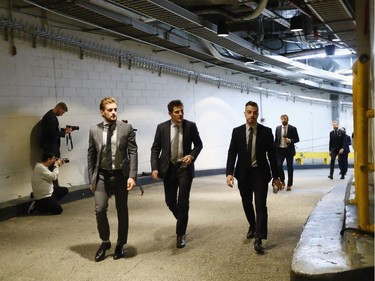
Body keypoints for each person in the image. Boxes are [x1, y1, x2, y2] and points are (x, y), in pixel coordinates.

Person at [226, 101, 281, 254]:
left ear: (258, 114)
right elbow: (232, 153)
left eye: (255, 112)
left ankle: (259, 238)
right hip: (243, 174)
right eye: (249, 112)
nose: (252, 115)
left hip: (260, 174)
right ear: (245, 113)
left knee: (260, 205)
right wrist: (229, 173)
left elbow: (272, 156)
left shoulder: (266, 132)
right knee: (246, 202)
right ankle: (252, 225)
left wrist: (276, 176)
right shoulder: (237, 132)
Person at [87, 97, 138, 262]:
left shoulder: (126, 128)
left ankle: (120, 244)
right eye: (110, 110)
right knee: (100, 209)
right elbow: (91, 155)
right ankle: (105, 242)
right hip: (102, 175)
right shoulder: (94, 130)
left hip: (120, 176)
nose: (114, 112)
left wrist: (132, 176)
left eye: (115, 109)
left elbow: (133, 152)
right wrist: (92, 178)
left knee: (122, 211)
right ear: (102, 112)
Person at [151, 100, 203, 249]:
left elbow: (199, 144)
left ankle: (180, 234)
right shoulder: (161, 128)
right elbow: (155, 149)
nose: (180, 114)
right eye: (177, 112)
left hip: (184, 169)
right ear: (170, 113)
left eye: (182, 111)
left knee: (183, 202)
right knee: (170, 201)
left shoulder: (190, 126)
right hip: (168, 169)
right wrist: (154, 167)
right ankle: (182, 219)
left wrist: (191, 156)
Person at [40, 102, 73, 189]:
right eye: (62, 112)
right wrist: (64, 132)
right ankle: (54, 189)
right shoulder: (49, 117)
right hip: (50, 148)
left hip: (52, 147)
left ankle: (54, 188)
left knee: (54, 168)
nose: (62, 114)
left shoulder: (51, 116)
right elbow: (51, 134)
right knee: (52, 169)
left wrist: (63, 130)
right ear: (59, 108)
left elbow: (53, 130)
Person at [274, 114, 300, 191]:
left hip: (289, 150)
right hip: (280, 150)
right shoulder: (277, 128)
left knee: (290, 168)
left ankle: (289, 184)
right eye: (282, 119)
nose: (283, 120)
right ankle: (282, 180)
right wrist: (274, 150)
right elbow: (276, 139)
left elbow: (297, 139)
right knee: (278, 166)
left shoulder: (293, 128)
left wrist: (290, 140)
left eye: (285, 119)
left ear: (288, 120)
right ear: (280, 120)